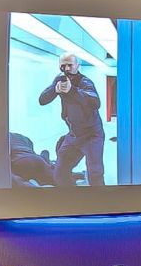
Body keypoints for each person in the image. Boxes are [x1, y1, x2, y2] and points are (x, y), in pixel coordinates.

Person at [38, 53, 105, 186]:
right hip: (74, 135)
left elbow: (95, 103)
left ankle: (100, 198)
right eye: (63, 65)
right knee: (60, 172)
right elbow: (42, 100)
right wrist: (54, 90)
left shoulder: (85, 82)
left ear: (77, 66)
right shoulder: (59, 80)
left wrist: (72, 90)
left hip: (92, 135)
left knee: (95, 173)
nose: (67, 68)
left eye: (70, 65)